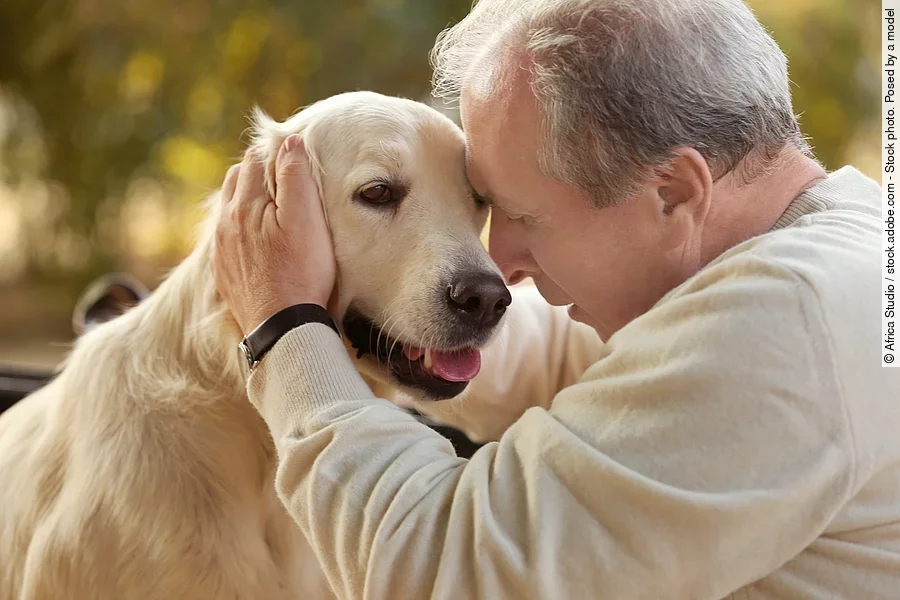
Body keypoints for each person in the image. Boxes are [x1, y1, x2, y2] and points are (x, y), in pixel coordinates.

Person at [212, 0, 899, 597]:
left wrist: (285, 329)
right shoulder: (834, 250)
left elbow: (449, 571)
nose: (501, 263)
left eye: (522, 216)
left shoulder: (786, 326)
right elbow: (570, 360)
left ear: (673, 193)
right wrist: (372, 302)